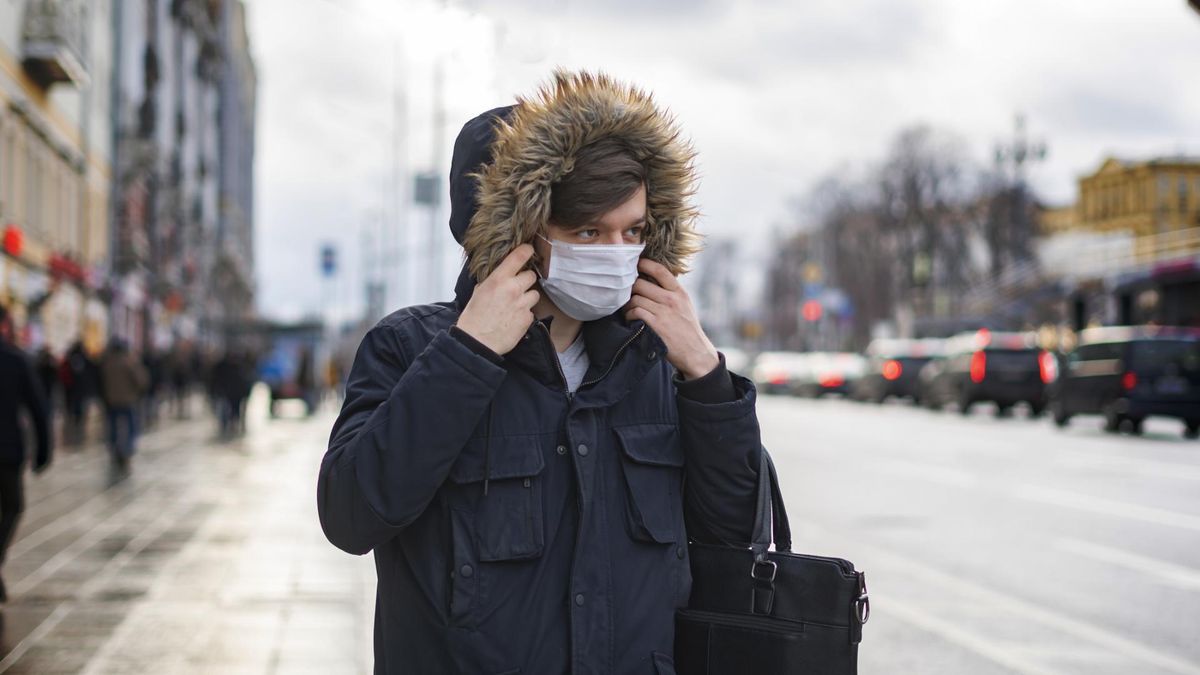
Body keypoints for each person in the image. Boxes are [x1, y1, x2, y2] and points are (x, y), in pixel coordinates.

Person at [318, 71, 763, 674]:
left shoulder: (655, 364)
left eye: (633, 232)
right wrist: (468, 354)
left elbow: (737, 538)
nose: (616, 253)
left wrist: (707, 378)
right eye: (588, 231)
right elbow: (350, 516)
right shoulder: (410, 346)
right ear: (518, 234)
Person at [0, 305, 52, 602]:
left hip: (9, 448)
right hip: (7, 449)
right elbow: (39, 409)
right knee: (12, 507)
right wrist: (43, 450)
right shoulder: (15, 360)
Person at [98, 339, 149, 471]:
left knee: (113, 426)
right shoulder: (129, 362)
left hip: (111, 401)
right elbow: (141, 380)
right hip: (128, 400)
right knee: (132, 426)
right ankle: (128, 449)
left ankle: (114, 449)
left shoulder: (106, 363)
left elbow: (100, 382)